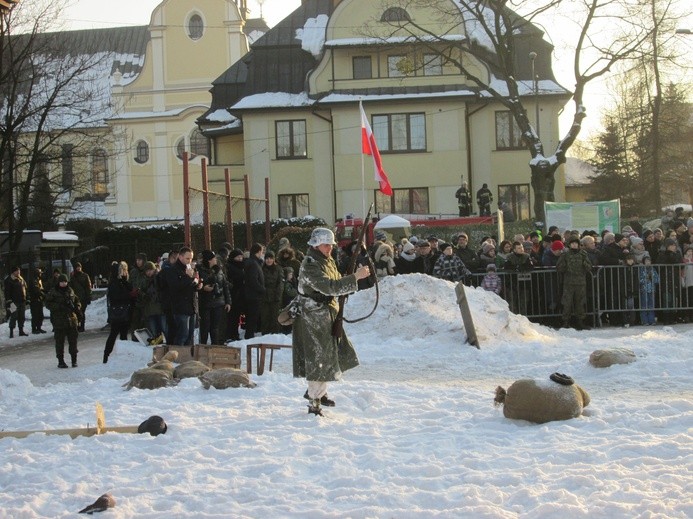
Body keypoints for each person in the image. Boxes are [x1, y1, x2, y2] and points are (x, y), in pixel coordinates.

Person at [292, 228, 371, 416]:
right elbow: (329, 287)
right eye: (326, 245)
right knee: (317, 357)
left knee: (328, 355)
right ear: (316, 244)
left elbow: (334, 282)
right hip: (313, 316)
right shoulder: (310, 264)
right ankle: (314, 401)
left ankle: (321, 392)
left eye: (331, 245)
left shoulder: (326, 260)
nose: (330, 248)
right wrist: (355, 278)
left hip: (326, 313)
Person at [165, 246, 202, 347]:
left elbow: (191, 286)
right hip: (180, 307)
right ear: (180, 257)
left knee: (190, 336)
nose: (189, 261)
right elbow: (176, 287)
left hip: (192, 306)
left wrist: (197, 284)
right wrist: (188, 277)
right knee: (182, 335)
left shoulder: (190, 269)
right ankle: (178, 356)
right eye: (187, 258)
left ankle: (187, 356)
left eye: (191, 258)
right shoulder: (173, 270)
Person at [555, 236, 593, 330]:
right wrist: (564, 266)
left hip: (580, 282)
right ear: (569, 244)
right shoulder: (565, 255)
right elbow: (559, 267)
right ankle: (565, 322)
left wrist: (585, 264)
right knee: (567, 303)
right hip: (568, 282)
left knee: (580, 303)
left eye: (576, 243)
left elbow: (589, 267)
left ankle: (580, 322)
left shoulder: (583, 254)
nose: (574, 245)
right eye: (572, 243)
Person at [45, 273, 81, 368]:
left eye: (65, 282)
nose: (64, 284)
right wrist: (59, 306)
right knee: (59, 342)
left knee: (73, 341)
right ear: (59, 282)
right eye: (62, 282)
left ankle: (74, 360)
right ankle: (61, 361)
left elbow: (77, 300)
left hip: (71, 320)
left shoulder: (70, 290)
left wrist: (77, 307)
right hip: (59, 321)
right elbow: (47, 303)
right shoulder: (53, 292)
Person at [103, 261, 135, 363]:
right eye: (123, 270)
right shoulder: (114, 283)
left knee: (123, 334)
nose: (125, 272)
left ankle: (122, 355)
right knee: (114, 334)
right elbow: (117, 297)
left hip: (124, 312)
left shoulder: (123, 282)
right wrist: (130, 295)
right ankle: (106, 355)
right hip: (118, 312)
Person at [197, 250, 231, 345]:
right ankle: (202, 346)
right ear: (209, 260)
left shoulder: (219, 270)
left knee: (215, 328)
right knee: (205, 327)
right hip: (205, 303)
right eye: (213, 258)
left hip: (218, 302)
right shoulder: (199, 270)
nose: (215, 260)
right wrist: (203, 288)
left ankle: (215, 346)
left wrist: (228, 301)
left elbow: (225, 286)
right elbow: (196, 286)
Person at [243, 243, 266, 340]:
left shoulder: (253, 262)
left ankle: (250, 335)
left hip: (252, 294)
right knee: (252, 317)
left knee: (252, 317)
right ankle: (249, 336)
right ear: (259, 251)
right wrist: (262, 289)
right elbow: (253, 281)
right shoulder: (253, 263)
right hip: (253, 295)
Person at [141, 261, 167, 342]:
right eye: (147, 271)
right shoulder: (144, 280)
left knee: (164, 328)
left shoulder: (159, 277)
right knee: (154, 330)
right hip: (150, 309)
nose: (148, 272)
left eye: (150, 270)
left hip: (160, 308)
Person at [260, 250, 283, 335]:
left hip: (275, 296)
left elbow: (280, 283)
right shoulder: (261, 269)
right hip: (264, 296)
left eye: (270, 258)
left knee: (275, 317)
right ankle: (265, 334)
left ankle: (275, 335)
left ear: (274, 259)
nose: (269, 260)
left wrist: (278, 295)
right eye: (267, 258)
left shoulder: (278, 269)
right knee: (265, 317)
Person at [226, 248, 246, 341]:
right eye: (238, 257)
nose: (240, 259)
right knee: (232, 316)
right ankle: (231, 334)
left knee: (237, 316)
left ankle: (235, 333)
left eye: (241, 257)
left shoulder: (241, 267)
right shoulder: (230, 267)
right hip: (233, 294)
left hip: (240, 294)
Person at [4, 266, 28, 338]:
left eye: (19, 271)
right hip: (13, 302)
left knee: (21, 316)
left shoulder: (21, 279)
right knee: (13, 316)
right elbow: (7, 292)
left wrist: (26, 297)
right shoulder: (8, 280)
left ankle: (21, 330)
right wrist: (9, 302)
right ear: (13, 272)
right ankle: (11, 332)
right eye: (17, 271)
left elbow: (25, 288)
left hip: (21, 301)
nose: (18, 272)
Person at [70, 262, 92, 332]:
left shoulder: (85, 276)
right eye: (77, 267)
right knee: (76, 312)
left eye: (79, 267)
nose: (78, 268)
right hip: (76, 298)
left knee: (82, 312)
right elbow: (71, 287)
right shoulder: (73, 277)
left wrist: (89, 296)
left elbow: (88, 287)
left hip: (83, 297)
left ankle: (82, 326)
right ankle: (77, 325)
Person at [638, 253, 659, 326]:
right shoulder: (641, 270)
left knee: (651, 305)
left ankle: (652, 320)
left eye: (649, 261)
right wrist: (645, 279)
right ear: (644, 262)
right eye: (646, 261)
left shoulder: (653, 269)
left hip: (652, 289)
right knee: (644, 305)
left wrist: (652, 278)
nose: (648, 262)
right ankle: (644, 321)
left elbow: (657, 279)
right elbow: (639, 280)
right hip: (644, 290)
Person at [28, 267, 47, 334]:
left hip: (39, 300)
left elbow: (41, 289)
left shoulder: (38, 280)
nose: (41, 274)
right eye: (40, 273)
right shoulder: (33, 280)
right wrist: (44, 295)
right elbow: (36, 290)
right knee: (35, 315)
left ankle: (39, 327)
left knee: (40, 315)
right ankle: (34, 329)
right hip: (34, 300)